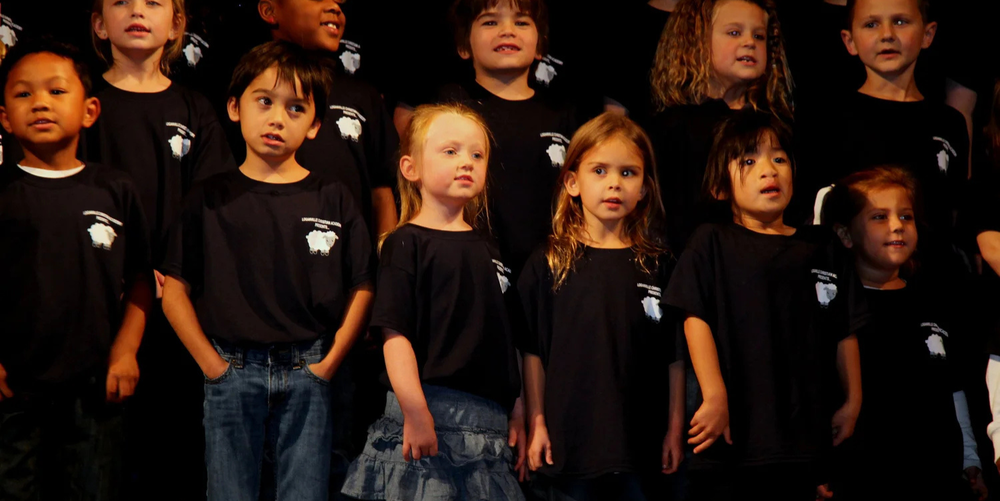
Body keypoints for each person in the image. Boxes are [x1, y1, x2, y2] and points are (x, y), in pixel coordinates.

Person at [160, 40, 374, 501]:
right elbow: (173, 289)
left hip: (308, 368)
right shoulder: (208, 195)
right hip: (231, 368)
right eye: (265, 102)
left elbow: (363, 285)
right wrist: (213, 367)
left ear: (315, 125)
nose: (278, 118)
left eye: (296, 108)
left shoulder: (332, 196)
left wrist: (328, 363)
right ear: (235, 108)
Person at [665, 111, 864, 501]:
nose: (768, 170)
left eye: (779, 158)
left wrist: (853, 400)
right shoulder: (712, 241)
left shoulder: (821, 247)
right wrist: (714, 394)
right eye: (749, 161)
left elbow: (845, 328)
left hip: (805, 435)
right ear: (721, 187)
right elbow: (694, 316)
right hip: (736, 435)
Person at [341, 103, 524, 501]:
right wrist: (415, 410)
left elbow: (505, 337)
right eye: (450, 151)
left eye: (477, 154)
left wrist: (519, 408)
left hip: (488, 427)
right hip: (428, 415)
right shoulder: (406, 243)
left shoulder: (490, 247)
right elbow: (395, 334)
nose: (466, 162)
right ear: (411, 168)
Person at [0, 38, 153, 500]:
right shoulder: (3, 193)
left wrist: (126, 352)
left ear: (89, 111)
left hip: (95, 387)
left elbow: (143, 278)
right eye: (23, 94)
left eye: (56, 91)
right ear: (4, 117)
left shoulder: (115, 189)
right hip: (14, 389)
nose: (40, 103)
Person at [518, 113, 683, 500]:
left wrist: (674, 428)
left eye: (628, 173)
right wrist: (536, 422)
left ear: (644, 187)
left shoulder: (660, 265)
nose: (614, 183)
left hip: (640, 450)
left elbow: (674, 357)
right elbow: (532, 353)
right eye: (600, 170)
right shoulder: (549, 263)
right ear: (572, 182)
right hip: (568, 446)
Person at [822, 166, 987, 500]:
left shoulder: (933, 301)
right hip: (866, 474)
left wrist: (970, 457)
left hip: (935, 473)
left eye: (906, 216)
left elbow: (953, 389)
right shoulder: (836, 309)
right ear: (845, 234)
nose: (897, 225)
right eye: (879, 217)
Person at [429, 0, 577, 277]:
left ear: (541, 46)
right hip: (473, 267)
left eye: (521, 22)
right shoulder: (453, 106)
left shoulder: (562, 116)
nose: (507, 31)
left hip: (550, 272)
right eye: (490, 21)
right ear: (464, 45)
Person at [647, 0, 795, 252]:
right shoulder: (673, 128)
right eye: (734, 32)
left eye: (758, 35)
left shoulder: (776, 125)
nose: (749, 42)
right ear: (697, 42)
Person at [257, 0, 399, 240]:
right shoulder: (251, 87)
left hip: (348, 264)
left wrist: (387, 265)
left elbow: (381, 191)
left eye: (339, 2)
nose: (335, 8)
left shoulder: (362, 96)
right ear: (270, 11)